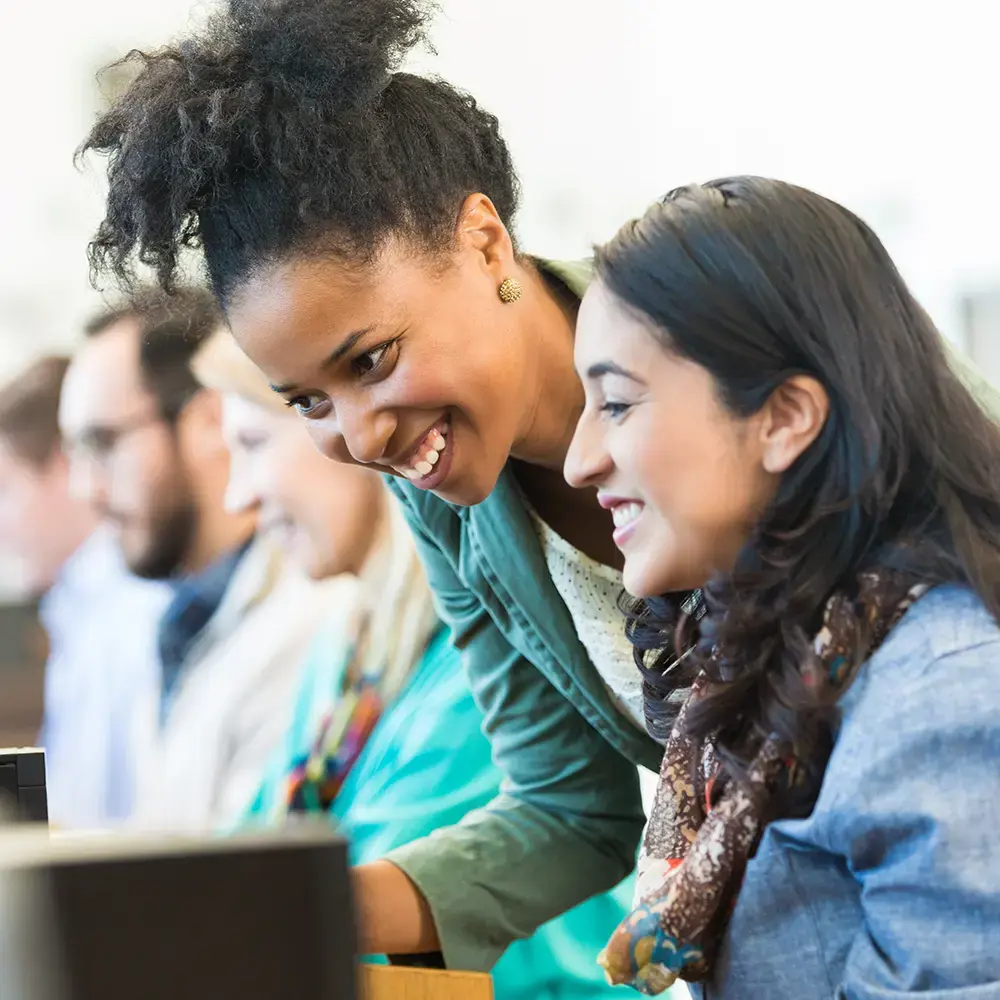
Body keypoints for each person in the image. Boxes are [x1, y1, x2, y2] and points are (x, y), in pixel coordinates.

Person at [77, 0, 1000, 973]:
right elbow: (569, 805)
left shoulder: (745, 327)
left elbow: (963, 555)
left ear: (483, 242)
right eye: (304, 402)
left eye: (374, 359)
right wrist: (300, 913)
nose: (359, 435)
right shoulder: (442, 493)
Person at [565, 176, 1000, 998]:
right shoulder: (788, 656)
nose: (578, 460)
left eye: (617, 403)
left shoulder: (945, 694)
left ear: (786, 416)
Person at [193, 327, 632, 999]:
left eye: (253, 446)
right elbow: (247, 867)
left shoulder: (475, 670)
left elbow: (351, 920)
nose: (237, 498)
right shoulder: (346, 657)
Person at [59, 288, 333, 832]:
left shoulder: (306, 619)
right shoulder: (183, 617)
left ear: (208, 422)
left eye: (104, 442)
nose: (84, 489)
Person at [0, 356, 169, 828]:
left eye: (3, 491)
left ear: (62, 466)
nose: (1, 527)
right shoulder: (79, 612)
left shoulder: (133, 614)